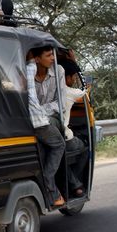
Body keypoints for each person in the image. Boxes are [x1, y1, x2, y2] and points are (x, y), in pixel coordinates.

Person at [26, 47, 66, 206]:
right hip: (37, 121)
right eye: (49, 55)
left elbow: (60, 103)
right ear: (36, 58)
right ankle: (49, 183)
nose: (53, 58)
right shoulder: (29, 70)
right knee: (59, 144)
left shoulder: (57, 71)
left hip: (40, 118)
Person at [60, 59, 88, 197]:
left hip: (48, 136)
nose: (74, 79)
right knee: (84, 150)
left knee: (60, 157)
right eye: (74, 77)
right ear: (67, 77)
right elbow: (85, 89)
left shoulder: (46, 88)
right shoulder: (70, 92)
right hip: (65, 138)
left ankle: (73, 183)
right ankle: (74, 184)